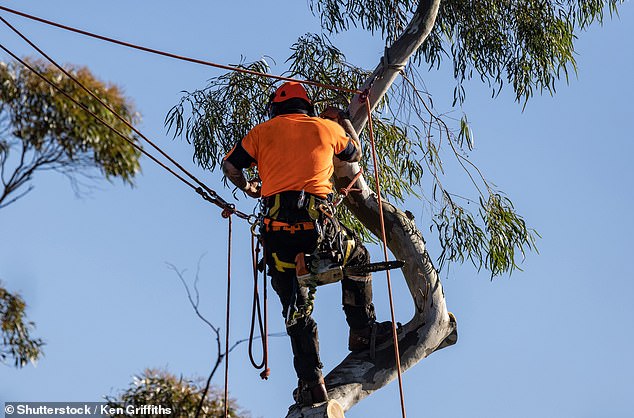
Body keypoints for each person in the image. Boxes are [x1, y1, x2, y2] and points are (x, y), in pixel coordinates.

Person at [222, 81, 391, 406]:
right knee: (357, 258)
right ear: (307, 107)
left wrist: (249, 188)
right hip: (318, 233)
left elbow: (231, 165)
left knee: (296, 308)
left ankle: (312, 382)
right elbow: (354, 152)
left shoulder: (261, 132)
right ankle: (362, 330)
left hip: (277, 235)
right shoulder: (325, 128)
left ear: (275, 109)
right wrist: (341, 119)